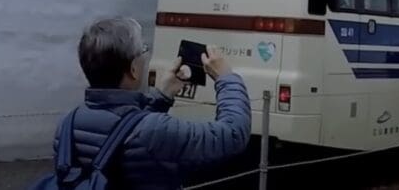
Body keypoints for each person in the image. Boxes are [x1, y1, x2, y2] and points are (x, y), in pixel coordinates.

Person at [45, 17, 251, 190]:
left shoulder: (67, 123)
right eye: (143, 50)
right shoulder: (156, 130)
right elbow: (233, 135)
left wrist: (162, 96)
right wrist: (226, 78)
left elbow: (123, 134)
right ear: (133, 69)